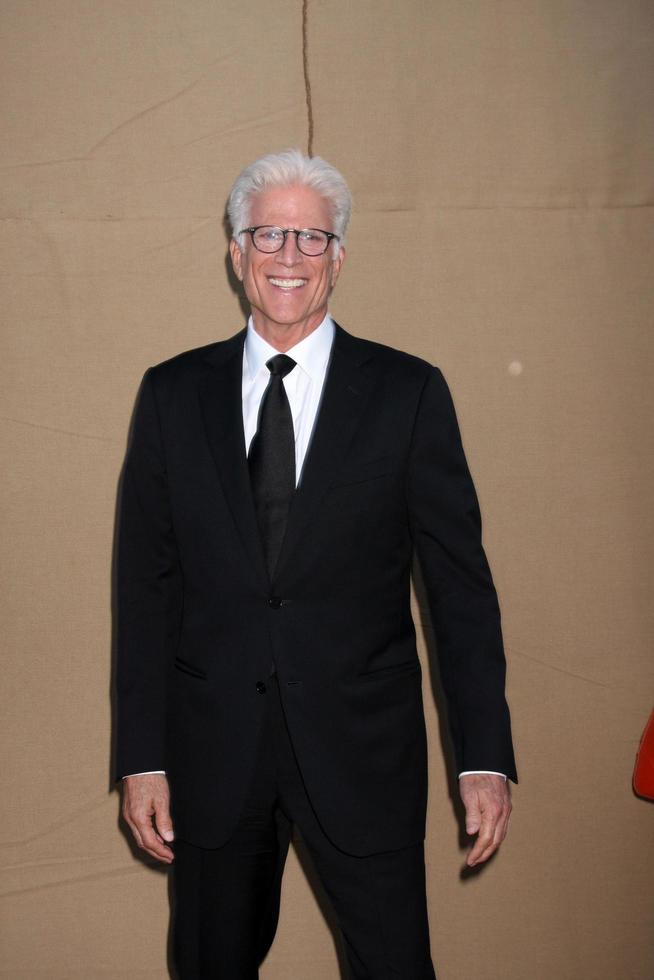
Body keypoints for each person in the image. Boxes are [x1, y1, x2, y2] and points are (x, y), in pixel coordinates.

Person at [116, 149, 517, 979]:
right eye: (269, 234)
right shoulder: (169, 395)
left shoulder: (408, 393)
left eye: (311, 237)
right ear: (236, 253)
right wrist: (141, 756)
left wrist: (483, 755)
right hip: (212, 759)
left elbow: (459, 591)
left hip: (363, 754)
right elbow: (145, 591)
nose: (288, 256)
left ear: (339, 257)